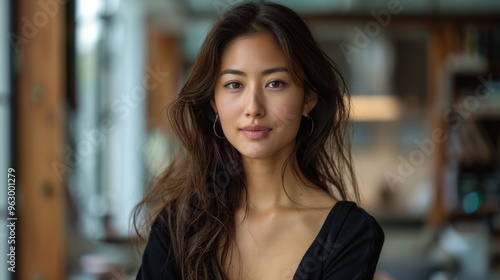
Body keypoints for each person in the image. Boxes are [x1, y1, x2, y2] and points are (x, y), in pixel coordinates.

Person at [133, 1, 384, 279]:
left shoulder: (349, 235)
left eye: (275, 83)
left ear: (308, 98)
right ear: (214, 102)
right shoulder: (175, 227)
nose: (253, 107)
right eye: (234, 85)